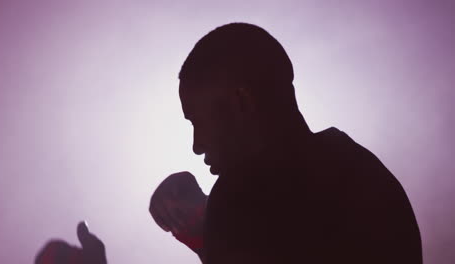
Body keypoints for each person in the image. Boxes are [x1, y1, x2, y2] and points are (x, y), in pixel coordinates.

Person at [149, 23, 423, 264]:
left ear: (241, 102)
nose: (197, 145)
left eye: (197, 121)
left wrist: (212, 228)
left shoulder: (242, 194)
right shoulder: (366, 172)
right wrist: (203, 233)